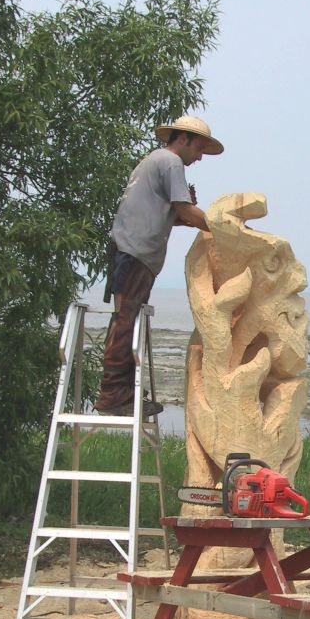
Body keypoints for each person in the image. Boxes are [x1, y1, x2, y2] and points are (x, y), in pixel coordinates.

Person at [94, 115, 224, 416]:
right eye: (199, 148)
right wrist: (223, 226)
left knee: (127, 320)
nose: (199, 157)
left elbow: (177, 216)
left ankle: (123, 391)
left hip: (134, 252)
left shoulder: (157, 161)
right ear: (183, 140)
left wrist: (190, 214)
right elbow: (187, 212)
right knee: (126, 321)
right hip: (134, 253)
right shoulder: (170, 161)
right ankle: (113, 394)